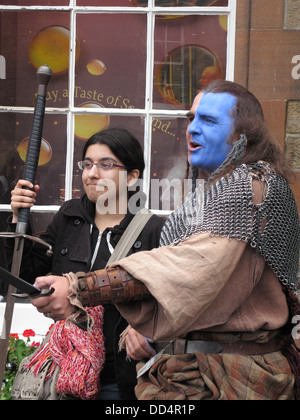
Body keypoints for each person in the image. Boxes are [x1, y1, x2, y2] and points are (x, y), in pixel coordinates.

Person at [30, 81, 300, 400]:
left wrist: (79, 288)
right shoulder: (224, 189)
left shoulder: (245, 188)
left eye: (209, 121)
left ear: (242, 134)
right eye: (191, 119)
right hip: (198, 365)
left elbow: (185, 269)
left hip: (231, 377)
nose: (193, 129)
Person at [5, 128, 164, 400]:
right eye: (87, 164)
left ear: (132, 177)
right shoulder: (68, 217)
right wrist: (18, 220)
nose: (92, 173)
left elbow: (169, 298)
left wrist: (147, 329)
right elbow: (23, 274)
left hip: (121, 379)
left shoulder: (153, 231)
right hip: (65, 371)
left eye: (106, 165)